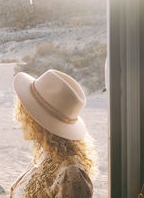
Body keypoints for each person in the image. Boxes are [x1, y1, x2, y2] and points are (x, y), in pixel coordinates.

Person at [10, 69, 96, 198]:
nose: (19, 119)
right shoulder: (46, 157)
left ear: (37, 122)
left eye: (25, 113)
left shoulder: (70, 173)